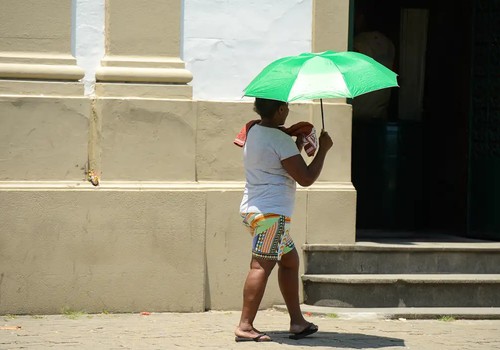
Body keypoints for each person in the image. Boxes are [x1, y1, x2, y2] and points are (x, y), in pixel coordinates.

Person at [234, 98, 334, 342]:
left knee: (289, 261)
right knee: (260, 266)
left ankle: (297, 322)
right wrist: (323, 149)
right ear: (279, 110)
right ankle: (245, 326)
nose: (289, 110)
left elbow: (277, 164)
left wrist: (297, 145)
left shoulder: (254, 130)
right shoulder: (279, 138)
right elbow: (306, 178)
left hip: (255, 210)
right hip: (271, 215)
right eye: (286, 106)